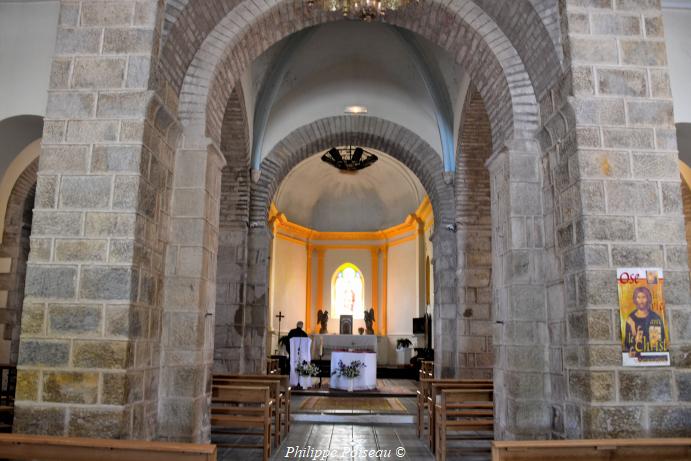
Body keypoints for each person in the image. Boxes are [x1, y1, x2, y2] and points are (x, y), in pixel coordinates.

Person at [624, 286, 666, 355]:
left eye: (644, 297)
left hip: (653, 356)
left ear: (648, 299)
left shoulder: (655, 318)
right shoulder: (630, 319)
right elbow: (627, 344)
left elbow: (662, 341)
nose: (641, 300)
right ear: (635, 299)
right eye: (638, 297)